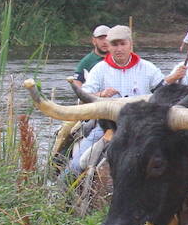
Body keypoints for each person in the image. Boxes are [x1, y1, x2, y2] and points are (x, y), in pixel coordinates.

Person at [69, 25, 164, 174]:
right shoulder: (100, 69)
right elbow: (84, 97)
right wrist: (101, 94)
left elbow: (163, 93)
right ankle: (63, 193)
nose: (119, 49)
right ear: (109, 47)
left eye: (122, 44)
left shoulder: (148, 68)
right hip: (106, 126)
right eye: (114, 44)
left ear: (130, 45)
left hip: (142, 127)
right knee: (76, 166)